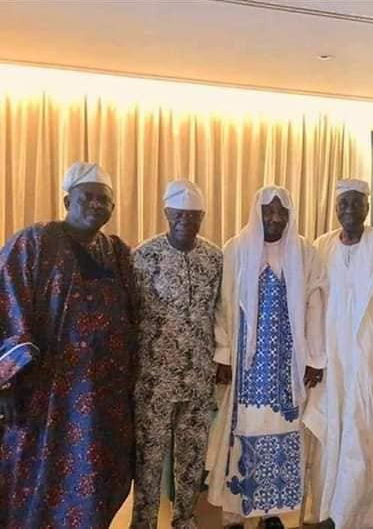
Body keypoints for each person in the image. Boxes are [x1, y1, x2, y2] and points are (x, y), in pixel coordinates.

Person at [0, 162, 137, 528]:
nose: (96, 205)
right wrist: (6, 383)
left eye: (104, 200)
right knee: (36, 476)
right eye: (87, 197)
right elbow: (6, 305)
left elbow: (136, 316)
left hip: (104, 397)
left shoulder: (117, 252)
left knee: (96, 474)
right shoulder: (33, 243)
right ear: (66, 201)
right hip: (47, 395)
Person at [205, 186, 325, 529]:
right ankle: (234, 513)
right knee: (242, 431)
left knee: (284, 431)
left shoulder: (304, 252)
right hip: (247, 369)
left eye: (281, 212)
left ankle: (273, 513)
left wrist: (315, 357)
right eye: (268, 211)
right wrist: (224, 353)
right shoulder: (237, 248)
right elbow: (223, 307)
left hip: (288, 368)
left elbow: (315, 305)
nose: (274, 218)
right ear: (256, 213)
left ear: (289, 215)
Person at [304, 179, 373, 529]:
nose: (349, 209)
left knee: (365, 428)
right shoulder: (321, 246)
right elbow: (311, 304)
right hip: (331, 357)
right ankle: (328, 510)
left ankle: (361, 513)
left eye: (356, 203)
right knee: (330, 428)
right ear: (335, 208)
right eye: (343, 203)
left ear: (367, 207)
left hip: (371, 356)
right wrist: (313, 357)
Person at [131, 181, 222, 528]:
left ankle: (185, 519)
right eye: (179, 214)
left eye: (194, 215)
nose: (186, 220)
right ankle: (143, 522)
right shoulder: (143, 256)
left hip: (198, 376)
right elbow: (132, 313)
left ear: (202, 217)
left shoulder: (214, 258)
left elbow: (221, 311)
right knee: (149, 457)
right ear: (167, 213)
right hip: (155, 378)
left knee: (191, 456)